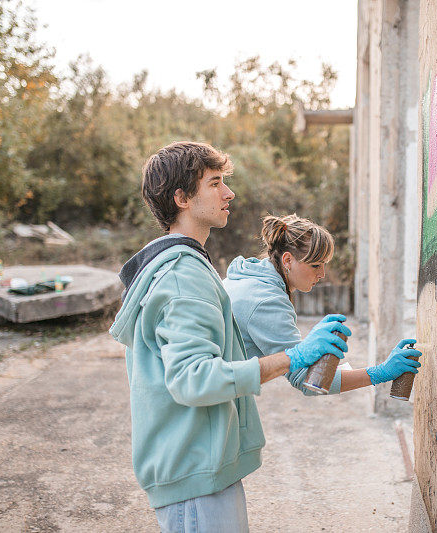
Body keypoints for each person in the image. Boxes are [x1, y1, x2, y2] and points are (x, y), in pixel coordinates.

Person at [110, 142, 351, 532]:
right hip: (194, 475)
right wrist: (295, 356)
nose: (229, 193)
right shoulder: (182, 276)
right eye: (215, 183)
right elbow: (194, 380)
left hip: (200, 466)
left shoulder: (189, 266)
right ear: (182, 197)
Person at [223, 213, 422, 396]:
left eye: (324, 264)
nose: (322, 274)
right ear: (287, 260)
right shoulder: (267, 301)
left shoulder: (248, 278)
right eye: (315, 265)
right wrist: (380, 372)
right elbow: (307, 381)